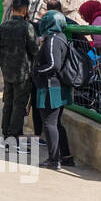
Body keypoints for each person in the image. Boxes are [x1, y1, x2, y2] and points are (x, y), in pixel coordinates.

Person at [33, 11, 77, 169]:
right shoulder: (61, 37)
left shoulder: (52, 40)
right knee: (56, 123)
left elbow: (53, 65)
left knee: (49, 123)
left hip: (51, 88)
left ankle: (54, 160)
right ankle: (66, 157)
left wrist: (37, 71)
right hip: (58, 87)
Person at [0, 0, 39, 151]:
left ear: (12, 8)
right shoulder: (27, 27)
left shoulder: (2, 27)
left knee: (8, 104)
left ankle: (5, 135)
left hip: (7, 72)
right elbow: (34, 50)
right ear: (25, 10)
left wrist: (5, 65)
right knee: (19, 106)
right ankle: (12, 140)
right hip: (23, 74)